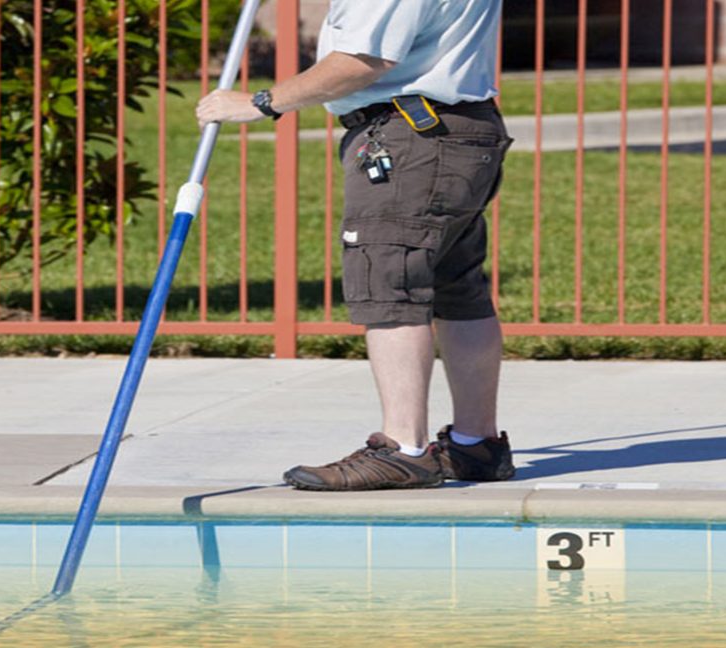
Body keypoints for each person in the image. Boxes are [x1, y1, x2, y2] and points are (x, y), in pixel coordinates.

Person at [196, 0, 515, 491]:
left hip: (412, 136)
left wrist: (261, 102)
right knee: (458, 289)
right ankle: (477, 445)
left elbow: (363, 61)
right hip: (455, 128)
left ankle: (403, 449)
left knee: (390, 286)